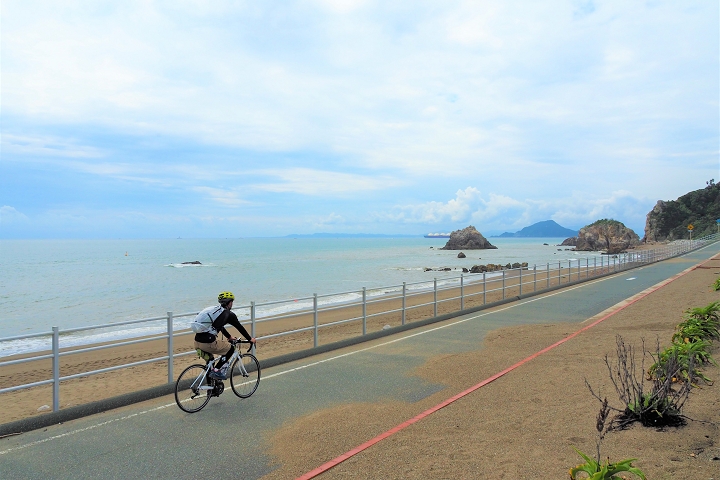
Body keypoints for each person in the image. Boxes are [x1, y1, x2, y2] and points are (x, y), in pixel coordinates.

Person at [193, 291, 255, 380]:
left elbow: (219, 326)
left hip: (197, 342)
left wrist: (229, 337)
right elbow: (239, 327)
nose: (232, 304)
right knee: (231, 348)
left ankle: (211, 389)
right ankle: (217, 370)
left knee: (210, 365)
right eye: (232, 302)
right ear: (229, 302)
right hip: (208, 343)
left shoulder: (216, 312)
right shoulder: (229, 315)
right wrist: (250, 339)